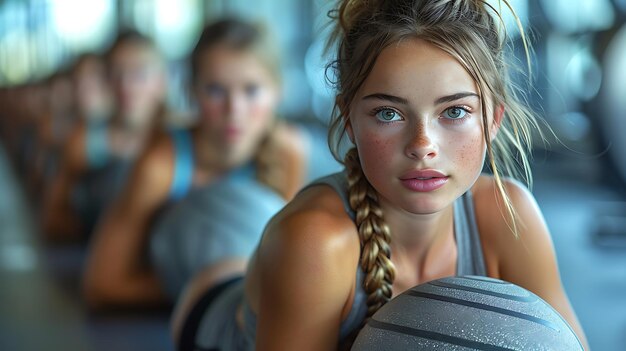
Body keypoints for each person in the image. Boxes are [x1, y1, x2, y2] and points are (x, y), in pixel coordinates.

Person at [171, 1, 590, 350]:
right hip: (211, 307)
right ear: (348, 120)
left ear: (493, 119)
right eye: (388, 113)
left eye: (454, 111)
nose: (423, 144)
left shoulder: (509, 214)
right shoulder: (315, 242)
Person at [81, 19, 308, 309]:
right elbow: (101, 283)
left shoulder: (288, 151)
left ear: (278, 91)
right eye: (215, 90)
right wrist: (205, 289)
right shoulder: (160, 165)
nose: (234, 110)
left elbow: (284, 264)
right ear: (191, 91)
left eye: (251, 90)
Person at [41, 30, 168, 242]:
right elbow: (53, 218)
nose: (126, 86)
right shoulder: (84, 141)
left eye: (139, 74)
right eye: (116, 74)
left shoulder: (180, 139)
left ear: (161, 81)